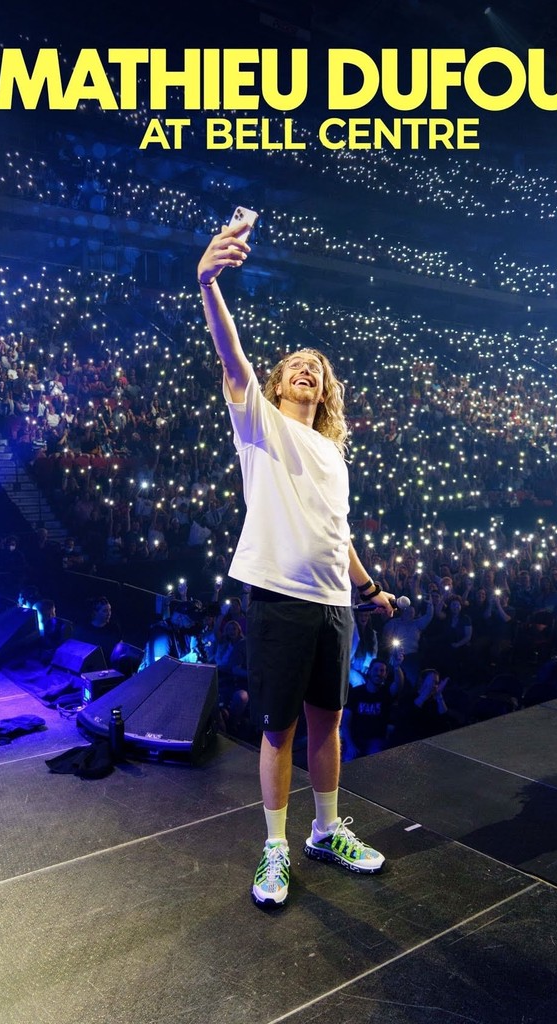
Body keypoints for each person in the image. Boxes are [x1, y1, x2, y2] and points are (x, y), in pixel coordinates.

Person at [198, 220, 395, 910]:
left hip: (334, 603)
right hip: (279, 597)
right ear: (279, 381)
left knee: (328, 723)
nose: (308, 369)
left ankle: (326, 829)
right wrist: (208, 282)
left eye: (318, 367)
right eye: (296, 364)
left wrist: (369, 587)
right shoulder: (260, 420)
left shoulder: (334, 454)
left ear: (326, 390)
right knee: (277, 727)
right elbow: (231, 353)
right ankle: (276, 846)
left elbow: (336, 533)